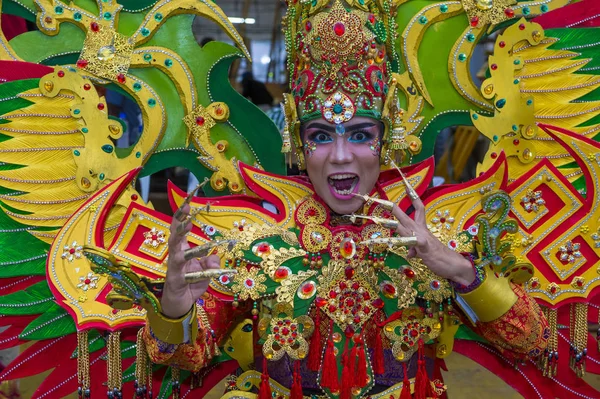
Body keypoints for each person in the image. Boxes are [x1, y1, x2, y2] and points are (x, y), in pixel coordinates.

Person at [143, 1, 549, 397]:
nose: (340, 156)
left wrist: (459, 269)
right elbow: (182, 357)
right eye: (320, 136)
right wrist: (175, 310)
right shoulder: (254, 244)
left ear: (383, 142)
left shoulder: (430, 242)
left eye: (360, 135)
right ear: (299, 147)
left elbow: (530, 339)